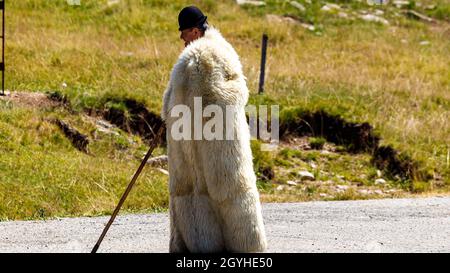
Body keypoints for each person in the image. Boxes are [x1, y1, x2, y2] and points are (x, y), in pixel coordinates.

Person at [161, 6, 267, 253]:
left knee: (202, 189)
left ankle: (202, 246)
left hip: (206, 142)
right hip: (224, 143)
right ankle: (245, 247)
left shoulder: (199, 57)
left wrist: (172, 111)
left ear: (195, 30)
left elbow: (205, 100)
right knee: (229, 192)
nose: (181, 38)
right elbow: (235, 92)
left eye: (184, 32)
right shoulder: (223, 49)